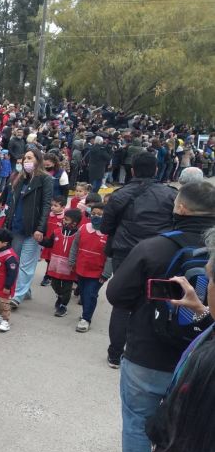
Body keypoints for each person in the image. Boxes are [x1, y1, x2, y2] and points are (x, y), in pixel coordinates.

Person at [106, 181, 215, 452]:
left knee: (138, 422)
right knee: (189, 428)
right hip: (202, 355)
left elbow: (117, 294)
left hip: (149, 353)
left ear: (181, 208)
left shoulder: (154, 247)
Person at [102, 151, 176, 367]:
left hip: (125, 252)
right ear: (156, 169)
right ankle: (145, 350)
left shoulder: (119, 195)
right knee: (155, 298)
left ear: (132, 170)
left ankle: (115, 354)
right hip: (159, 253)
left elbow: (105, 227)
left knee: (122, 302)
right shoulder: (170, 195)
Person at [3, 148, 53, 309]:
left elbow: (46, 206)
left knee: (26, 264)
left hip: (32, 229)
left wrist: (40, 228)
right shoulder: (19, 179)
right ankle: (25, 290)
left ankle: (17, 296)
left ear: (38, 160)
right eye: (25, 158)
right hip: (16, 227)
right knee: (15, 262)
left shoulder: (45, 179)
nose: (26, 161)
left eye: (30, 158)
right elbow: (12, 203)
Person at [69, 202, 112, 333]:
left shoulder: (109, 234)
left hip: (97, 273)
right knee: (83, 292)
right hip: (81, 269)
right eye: (93, 214)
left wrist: (106, 273)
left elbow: (111, 256)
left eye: (100, 214)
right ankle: (85, 313)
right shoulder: (83, 228)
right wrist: (72, 261)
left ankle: (86, 319)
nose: (96, 216)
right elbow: (75, 246)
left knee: (90, 294)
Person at [40, 208, 82, 317]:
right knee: (55, 284)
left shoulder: (79, 235)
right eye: (64, 219)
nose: (64, 221)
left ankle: (63, 306)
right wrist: (40, 240)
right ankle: (60, 296)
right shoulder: (57, 231)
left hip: (69, 267)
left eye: (66, 220)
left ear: (74, 223)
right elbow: (49, 243)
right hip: (55, 265)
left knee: (67, 288)